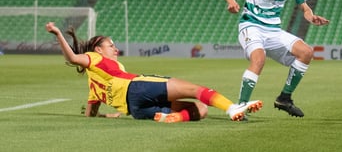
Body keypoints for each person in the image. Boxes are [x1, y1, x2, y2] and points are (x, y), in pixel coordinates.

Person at [45, 22, 262, 123]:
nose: (115, 48)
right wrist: (57, 33)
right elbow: (73, 58)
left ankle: (174, 118)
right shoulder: (95, 58)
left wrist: (106, 114)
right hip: (137, 87)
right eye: (111, 45)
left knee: (201, 109)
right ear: (98, 49)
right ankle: (232, 108)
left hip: (137, 110)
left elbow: (90, 113)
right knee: (197, 89)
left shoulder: (94, 86)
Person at [216, 0, 329, 117]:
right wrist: (231, 0)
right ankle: (241, 107)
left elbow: (304, 5)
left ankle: (284, 98)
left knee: (306, 52)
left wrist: (311, 16)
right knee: (259, 59)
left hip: (273, 30)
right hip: (251, 25)